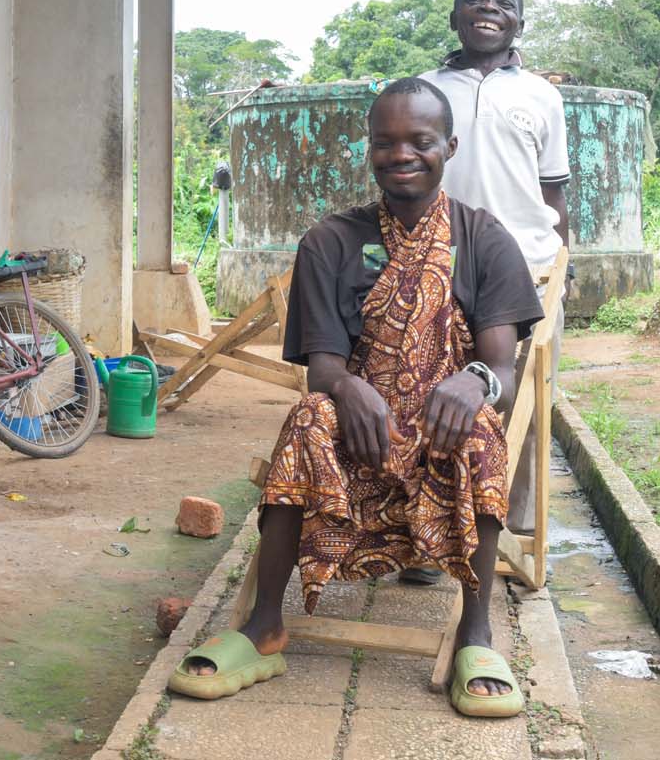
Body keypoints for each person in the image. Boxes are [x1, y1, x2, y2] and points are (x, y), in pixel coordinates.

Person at [167, 77, 542, 717]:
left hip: (442, 438)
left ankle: (476, 635)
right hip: (357, 438)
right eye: (385, 142)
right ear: (369, 151)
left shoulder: (484, 240)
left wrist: (471, 379)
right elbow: (322, 370)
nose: (402, 154)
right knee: (309, 414)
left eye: (420, 141)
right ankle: (264, 626)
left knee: (482, 428)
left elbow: (503, 371)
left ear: (448, 146)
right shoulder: (331, 242)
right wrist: (345, 389)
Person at [413, 0, 569, 562]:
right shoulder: (423, 91)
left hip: (526, 270)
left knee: (522, 406)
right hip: (436, 266)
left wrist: (561, 269)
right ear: (455, 17)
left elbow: (552, 195)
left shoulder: (542, 96)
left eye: (502, 1)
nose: (488, 8)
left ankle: (509, 537)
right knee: (432, 395)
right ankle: (427, 540)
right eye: (473, 0)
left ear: (519, 23)